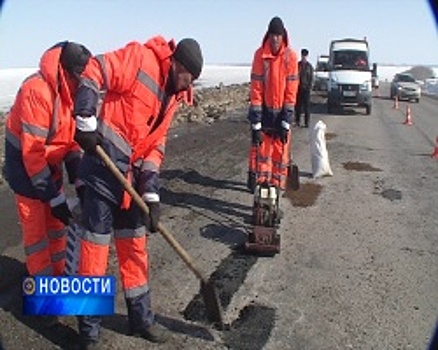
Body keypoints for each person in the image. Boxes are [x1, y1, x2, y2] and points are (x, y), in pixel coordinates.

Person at [72, 36, 203, 349]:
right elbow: (95, 69)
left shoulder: (172, 98)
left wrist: (152, 197)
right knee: (94, 254)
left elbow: (154, 149)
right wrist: (86, 118)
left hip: (129, 185)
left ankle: (141, 321)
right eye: (188, 78)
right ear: (177, 65)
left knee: (135, 251)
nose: (188, 87)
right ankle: (89, 333)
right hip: (103, 173)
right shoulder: (139, 58)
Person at [3, 42, 90, 283]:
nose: (82, 86)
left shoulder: (70, 93)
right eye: (79, 79)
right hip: (23, 167)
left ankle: (60, 274)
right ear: (65, 71)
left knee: (56, 226)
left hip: (48, 165)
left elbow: (70, 142)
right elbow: (32, 153)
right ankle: (43, 289)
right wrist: (54, 198)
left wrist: (79, 179)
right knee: (37, 233)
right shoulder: (37, 91)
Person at [247, 16, 299, 192]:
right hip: (265, 114)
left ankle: (275, 194)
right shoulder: (260, 56)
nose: (275, 39)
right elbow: (256, 89)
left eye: (278, 35)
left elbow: (291, 91)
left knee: (280, 156)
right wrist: (256, 123)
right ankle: (259, 190)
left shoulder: (290, 57)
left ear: (283, 36)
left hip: (282, 114)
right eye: (272, 35)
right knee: (261, 155)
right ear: (268, 36)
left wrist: (286, 121)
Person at [295, 48, 314, 128]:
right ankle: (297, 121)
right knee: (298, 106)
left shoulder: (309, 67)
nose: (304, 57)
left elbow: (311, 78)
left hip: (306, 89)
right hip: (298, 88)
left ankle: (306, 122)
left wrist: (310, 87)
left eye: (305, 56)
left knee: (307, 107)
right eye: (303, 55)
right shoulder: (297, 65)